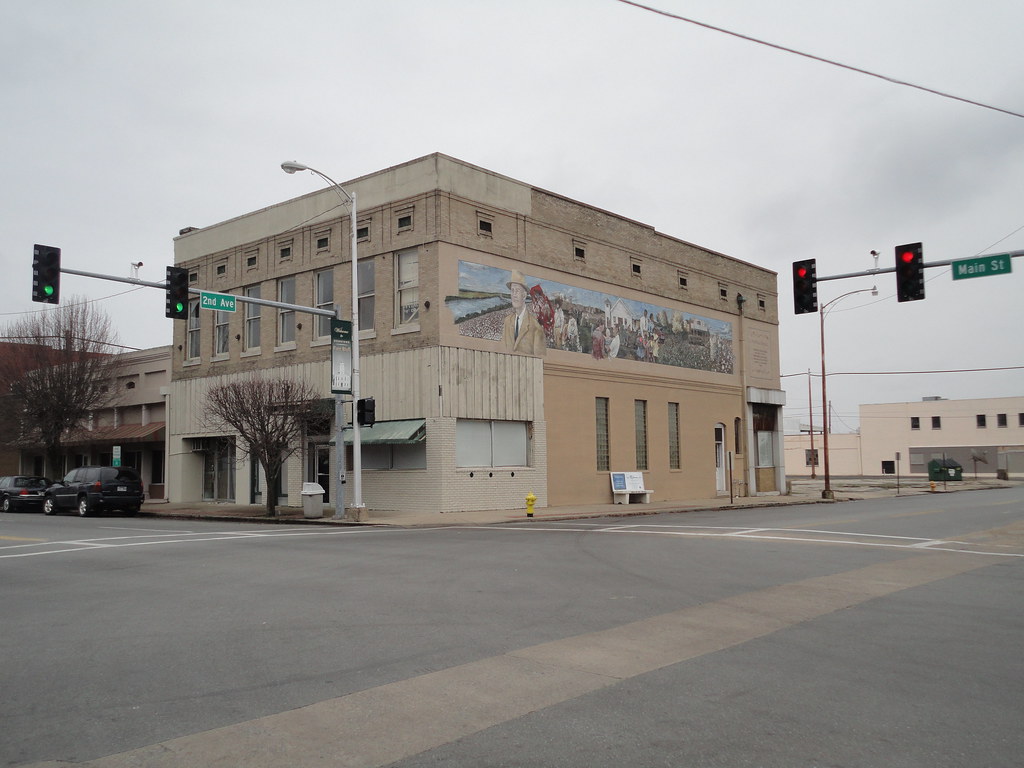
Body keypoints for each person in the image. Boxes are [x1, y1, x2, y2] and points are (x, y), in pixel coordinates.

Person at [502, 270, 547, 356]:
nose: (514, 295)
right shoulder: (507, 322)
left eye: (517, 290)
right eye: (512, 290)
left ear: (524, 295)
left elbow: (539, 361)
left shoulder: (536, 327)